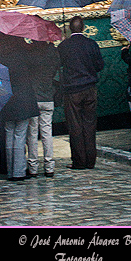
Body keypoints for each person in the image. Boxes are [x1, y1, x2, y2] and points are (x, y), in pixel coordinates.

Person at [57, 15, 104, 170]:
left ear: (70, 29)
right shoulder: (91, 44)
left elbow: (59, 64)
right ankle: (91, 160)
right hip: (90, 89)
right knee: (90, 125)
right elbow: (99, 66)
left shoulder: (64, 46)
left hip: (73, 90)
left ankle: (79, 161)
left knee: (75, 125)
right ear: (83, 28)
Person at [0, 34, 39, 181]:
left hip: (6, 99)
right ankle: (19, 171)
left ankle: (10, 170)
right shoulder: (23, 55)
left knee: (9, 134)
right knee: (20, 135)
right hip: (24, 99)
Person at [26, 40, 61, 178]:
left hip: (33, 97)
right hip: (48, 96)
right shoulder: (52, 53)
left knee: (32, 134)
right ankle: (49, 165)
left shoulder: (30, 53)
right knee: (47, 132)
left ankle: (33, 166)